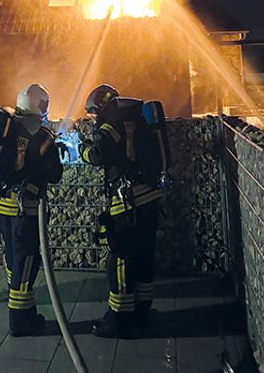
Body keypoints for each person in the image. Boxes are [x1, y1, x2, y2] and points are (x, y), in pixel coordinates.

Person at [77, 84, 164, 338]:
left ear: (102, 106)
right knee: (144, 256)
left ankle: (118, 320)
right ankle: (141, 311)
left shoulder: (111, 125)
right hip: (149, 198)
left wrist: (81, 148)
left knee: (120, 258)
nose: (94, 118)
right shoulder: (136, 118)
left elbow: (97, 155)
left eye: (94, 113)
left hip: (128, 202)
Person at [0, 83, 63, 336]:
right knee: (27, 261)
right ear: (41, 105)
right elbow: (55, 174)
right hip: (25, 210)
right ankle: (19, 321)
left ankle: (23, 310)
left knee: (13, 258)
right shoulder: (43, 135)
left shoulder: (9, 126)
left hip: (4, 207)